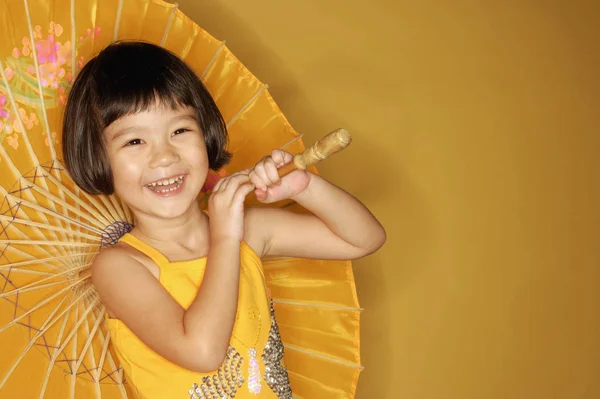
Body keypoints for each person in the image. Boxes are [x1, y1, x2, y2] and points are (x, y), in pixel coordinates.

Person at [62, 41, 386, 399]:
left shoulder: (249, 229)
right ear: (98, 158)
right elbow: (202, 352)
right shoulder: (119, 266)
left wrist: (303, 186)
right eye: (135, 141)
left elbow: (363, 238)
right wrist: (226, 238)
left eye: (180, 131)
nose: (165, 156)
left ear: (205, 133)